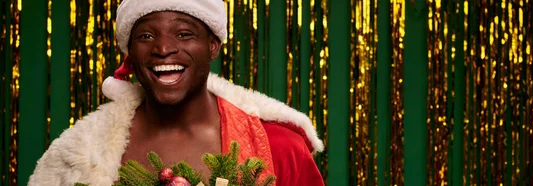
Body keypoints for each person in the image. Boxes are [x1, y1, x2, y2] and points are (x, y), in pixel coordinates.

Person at [27, 0, 325, 185]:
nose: (163, 49)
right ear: (130, 51)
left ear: (212, 45)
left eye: (184, 34)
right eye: (145, 36)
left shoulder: (280, 149)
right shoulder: (80, 154)